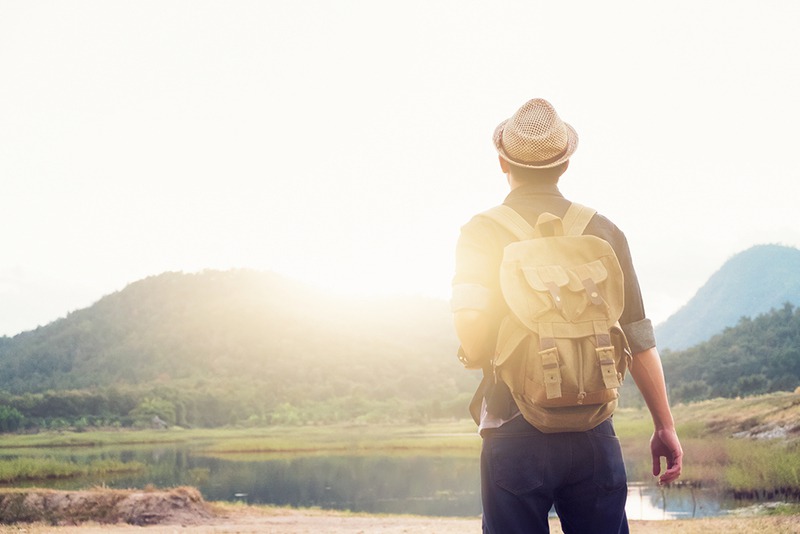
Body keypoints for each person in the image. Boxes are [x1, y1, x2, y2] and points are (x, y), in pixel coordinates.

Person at [451, 98, 682, 533]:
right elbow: (638, 339)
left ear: (502, 162)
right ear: (565, 163)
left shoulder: (481, 231)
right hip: (594, 426)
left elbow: (469, 323)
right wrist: (664, 426)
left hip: (512, 422)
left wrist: (477, 352)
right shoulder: (604, 231)